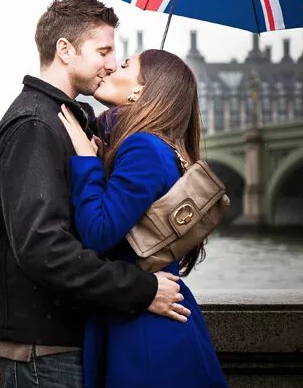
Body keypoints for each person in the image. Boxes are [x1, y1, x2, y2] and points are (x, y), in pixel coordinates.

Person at [0, 0, 190, 388]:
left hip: (68, 339)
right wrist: (141, 289)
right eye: (104, 50)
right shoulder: (35, 126)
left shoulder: (71, 120)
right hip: (45, 350)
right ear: (65, 50)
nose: (112, 64)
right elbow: (44, 249)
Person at [57, 49, 228, 388]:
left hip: (144, 333)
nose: (111, 68)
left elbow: (99, 232)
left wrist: (85, 161)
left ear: (140, 91)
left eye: (124, 65)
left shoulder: (143, 148)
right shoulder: (153, 145)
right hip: (149, 316)